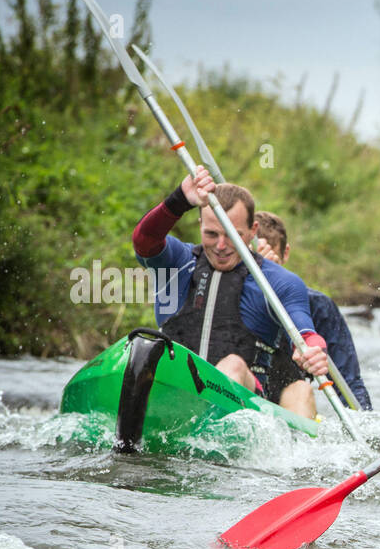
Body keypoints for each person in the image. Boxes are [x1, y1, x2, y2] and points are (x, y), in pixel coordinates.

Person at [132, 166, 328, 418]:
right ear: (200, 224)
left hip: (247, 408)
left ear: (253, 230)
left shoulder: (278, 281)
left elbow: (306, 333)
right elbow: (144, 239)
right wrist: (179, 199)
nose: (221, 246)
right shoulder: (178, 261)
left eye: (233, 235)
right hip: (175, 394)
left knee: (238, 367)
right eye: (211, 234)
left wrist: (314, 351)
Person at [253, 211, 373, 411]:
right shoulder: (227, 289)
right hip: (240, 388)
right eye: (260, 261)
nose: (268, 271)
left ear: (286, 253)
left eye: (272, 263)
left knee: (301, 389)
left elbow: (349, 381)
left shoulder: (319, 306)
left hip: (290, 402)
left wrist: (365, 426)